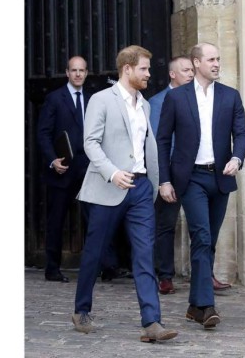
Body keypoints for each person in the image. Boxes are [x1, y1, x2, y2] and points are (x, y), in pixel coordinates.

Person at [72, 45, 178, 342]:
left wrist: (157, 181)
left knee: (145, 253)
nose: (148, 74)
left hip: (141, 188)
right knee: (95, 252)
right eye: (144, 68)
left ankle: (152, 322)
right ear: (127, 69)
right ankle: (81, 309)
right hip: (109, 186)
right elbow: (90, 142)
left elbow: (146, 147)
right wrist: (113, 172)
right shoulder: (101, 99)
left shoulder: (144, 105)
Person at [157, 42, 245, 329]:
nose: (217, 64)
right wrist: (164, 179)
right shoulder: (178, 98)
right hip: (191, 178)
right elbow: (162, 141)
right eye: (211, 59)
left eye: (219, 59)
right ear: (196, 63)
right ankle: (207, 306)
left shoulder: (230, 96)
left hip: (221, 177)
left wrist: (237, 158)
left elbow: (242, 134)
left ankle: (195, 306)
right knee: (202, 237)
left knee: (208, 243)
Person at [37, 56, 91, 283]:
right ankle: (52, 268)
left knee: (96, 217)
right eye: (74, 70)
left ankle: (106, 266)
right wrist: (52, 160)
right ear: (67, 73)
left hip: (88, 168)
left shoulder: (93, 99)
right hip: (63, 168)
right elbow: (43, 133)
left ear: (86, 73)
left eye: (82, 70)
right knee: (57, 219)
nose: (78, 74)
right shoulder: (54, 99)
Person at [149, 55, 194, 294]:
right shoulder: (157, 102)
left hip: (197, 172)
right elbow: (158, 142)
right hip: (171, 173)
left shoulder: (200, 99)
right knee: (166, 226)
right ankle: (165, 276)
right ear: (172, 74)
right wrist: (163, 179)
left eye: (191, 70)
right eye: (185, 70)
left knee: (201, 226)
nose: (190, 74)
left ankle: (205, 275)